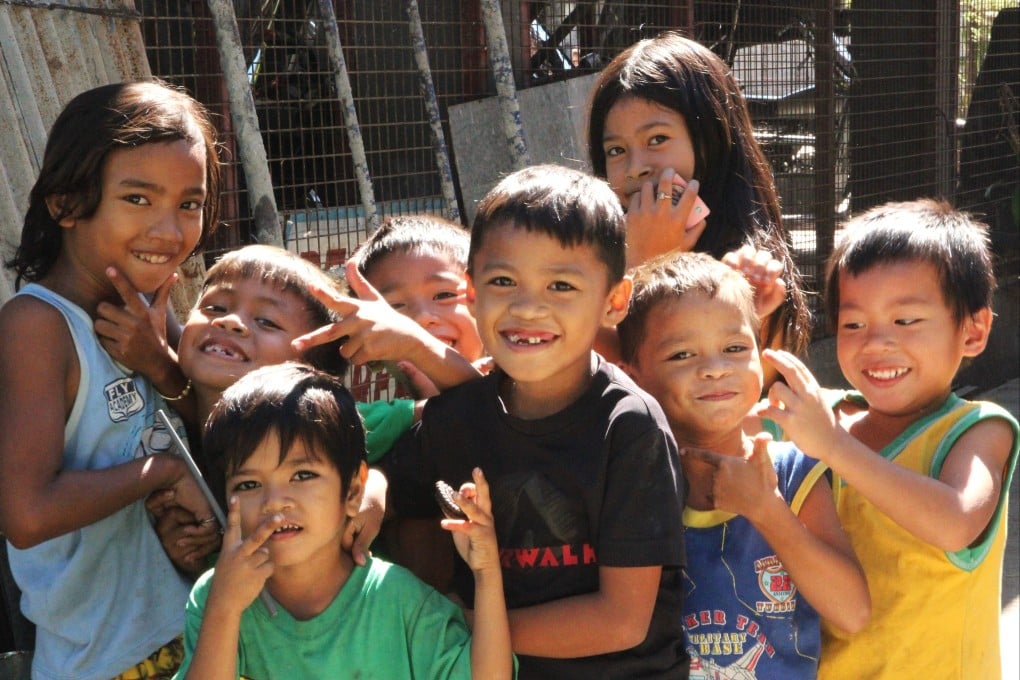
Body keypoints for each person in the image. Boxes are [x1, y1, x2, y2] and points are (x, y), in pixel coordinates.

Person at [379, 164, 689, 678]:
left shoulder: (630, 427)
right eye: (503, 281)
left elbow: (620, 621)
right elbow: (394, 484)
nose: (527, 308)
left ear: (614, 301)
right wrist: (372, 492)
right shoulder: (457, 418)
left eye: (561, 286)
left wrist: (467, 624)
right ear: (473, 294)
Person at [0, 80, 220, 679]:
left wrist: (160, 364)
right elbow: (26, 512)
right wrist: (165, 473)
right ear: (67, 203)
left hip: (194, 631)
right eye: (139, 199)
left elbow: (214, 433)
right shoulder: (38, 327)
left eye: (189, 204)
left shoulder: (152, 308)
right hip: (107, 659)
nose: (170, 231)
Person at [757, 199, 1019, 679]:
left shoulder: (979, 428)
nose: (876, 343)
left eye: (906, 321)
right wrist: (747, 325)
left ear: (974, 330)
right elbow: (722, 436)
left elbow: (956, 521)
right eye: (853, 324)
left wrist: (835, 448)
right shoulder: (816, 418)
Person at [616, 251, 870, 677]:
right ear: (631, 377)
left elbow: (853, 612)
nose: (715, 369)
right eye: (681, 355)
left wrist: (766, 509)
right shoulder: (627, 487)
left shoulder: (793, 472)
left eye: (735, 348)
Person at [174, 362, 514, 679]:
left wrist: (485, 571)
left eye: (303, 475)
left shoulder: (397, 598)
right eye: (249, 484)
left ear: (353, 492)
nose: (274, 501)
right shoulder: (216, 595)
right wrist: (225, 609)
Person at [586, 31, 812, 372]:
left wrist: (648, 264)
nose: (636, 168)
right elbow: (579, 365)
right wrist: (640, 261)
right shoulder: (590, 250)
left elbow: (746, 383)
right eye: (616, 150)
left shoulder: (746, 265)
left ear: (711, 142)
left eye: (657, 139)